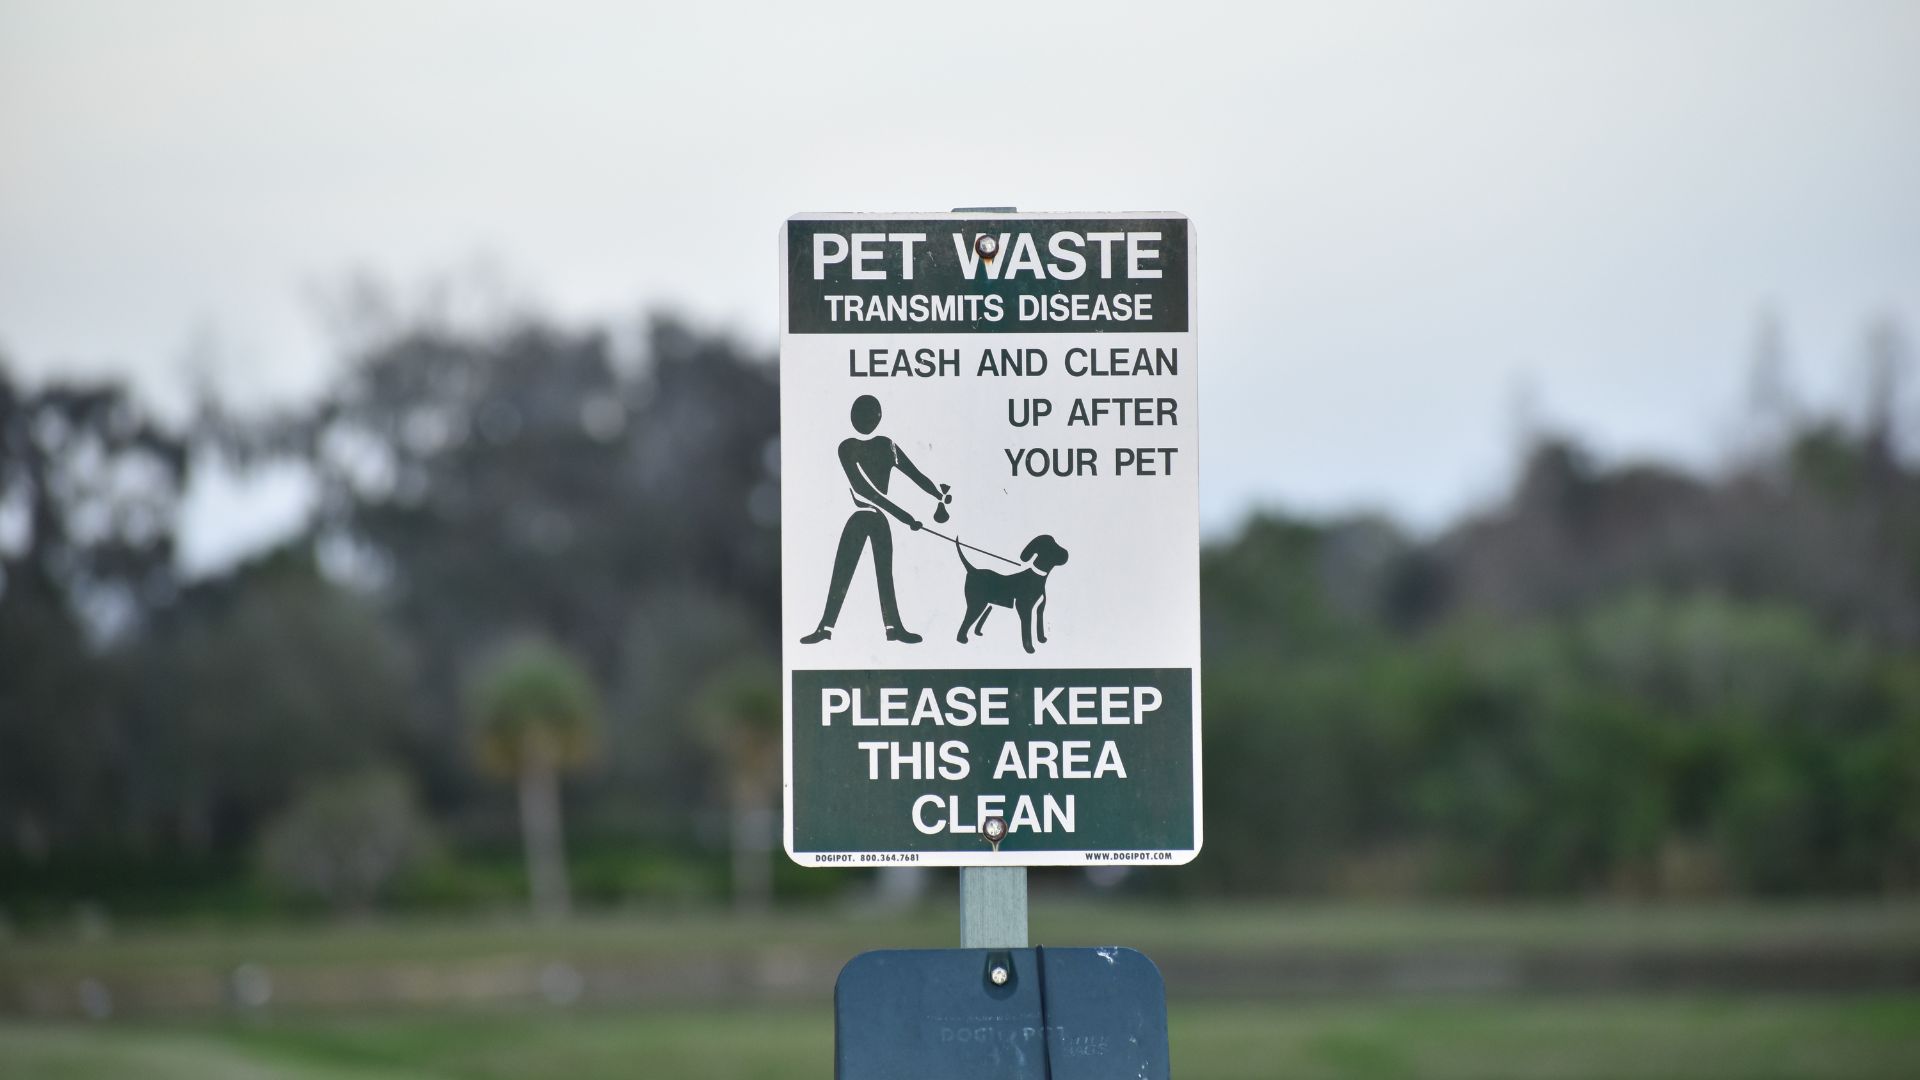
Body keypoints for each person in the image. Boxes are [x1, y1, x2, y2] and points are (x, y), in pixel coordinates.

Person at [800, 395, 944, 644]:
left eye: (870, 415)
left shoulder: (887, 446)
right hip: (859, 517)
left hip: (879, 520)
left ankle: (893, 628)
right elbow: (864, 490)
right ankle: (825, 627)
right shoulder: (847, 447)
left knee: (884, 575)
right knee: (842, 572)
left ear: (877, 418)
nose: (865, 420)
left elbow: (916, 475)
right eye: (862, 414)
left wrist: (938, 495)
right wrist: (905, 516)